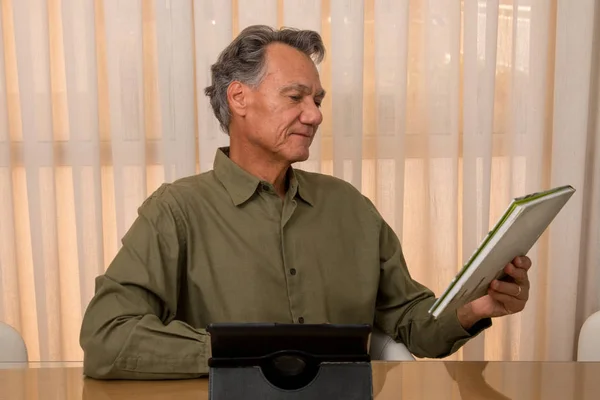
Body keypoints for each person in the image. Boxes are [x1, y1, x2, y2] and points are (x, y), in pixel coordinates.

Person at [79, 25, 532, 380]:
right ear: (239, 97)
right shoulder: (175, 210)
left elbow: (413, 327)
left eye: (316, 100)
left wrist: (476, 308)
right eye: (295, 97)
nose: (314, 115)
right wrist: (243, 354)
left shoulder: (350, 208)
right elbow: (107, 338)